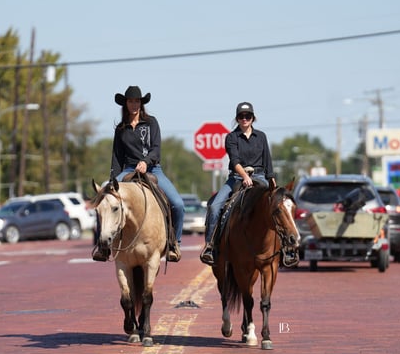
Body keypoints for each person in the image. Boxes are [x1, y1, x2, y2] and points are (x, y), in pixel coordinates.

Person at [92, 85, 184, 262]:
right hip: (127, 170)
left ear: (141, 104)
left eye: (137, 101)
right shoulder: (121, 129)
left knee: (178, 204)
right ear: (125, 104)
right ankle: (102, 247)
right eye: (130, 101)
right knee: (103, 195)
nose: (134, 104)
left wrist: (146, 161)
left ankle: (174, 243)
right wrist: (112, 181)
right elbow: (117, 158)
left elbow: (156, 149)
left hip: (152, 169)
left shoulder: (151, 123)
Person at [200, 101, 274, 266]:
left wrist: (272, 181)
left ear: (253, 118)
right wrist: (244, 176)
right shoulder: (231, 137)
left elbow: (267, 161)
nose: (244, 119)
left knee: (277, 206)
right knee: (214, 206)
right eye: (241, 116)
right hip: (236, 178)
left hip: (260, 177)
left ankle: (285, 248)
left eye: (248, 116)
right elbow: (234, 160)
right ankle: (210, 246)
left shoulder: (261, 136)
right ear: (237, 118)